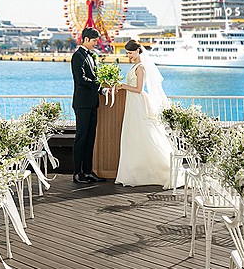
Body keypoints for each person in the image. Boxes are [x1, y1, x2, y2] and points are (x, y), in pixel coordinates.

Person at [114, 39, 180, 188]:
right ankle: (134, 171)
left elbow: (138, 89)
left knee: (142, 134)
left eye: (130, 53)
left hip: (137, 103)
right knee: (133, 136)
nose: (129, 56)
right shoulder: (134, 66)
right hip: (132, 103)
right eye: (127, 53)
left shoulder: (141, 68)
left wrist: (123, 86)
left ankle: (156, 170)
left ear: (138, 51)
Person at [71, 27, 107, 184]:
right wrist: (98, 86)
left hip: (92, 103)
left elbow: (93, 78)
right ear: (85, 39)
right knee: (81, 138)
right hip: (82, 103)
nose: (95, 44)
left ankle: (88, 171)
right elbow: (81, 80)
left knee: (90, 138)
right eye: (94, 41)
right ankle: (77, 173)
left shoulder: (92, 56)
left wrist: (102, 89)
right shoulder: (77, 56)